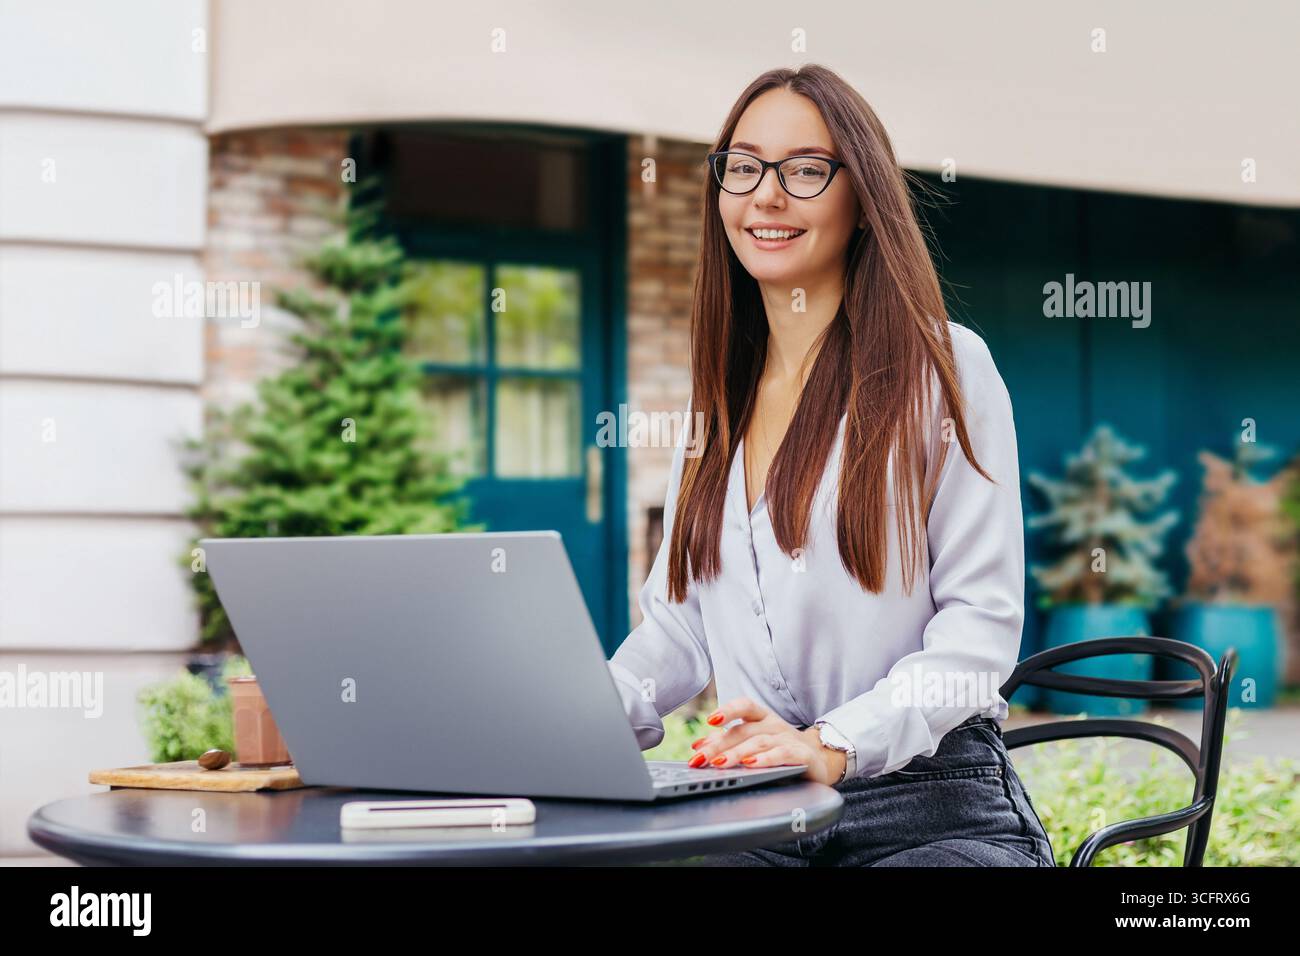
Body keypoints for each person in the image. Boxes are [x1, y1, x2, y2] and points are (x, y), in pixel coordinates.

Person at [606, 64, 1055, 867]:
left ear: (863, 199)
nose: (765, 196)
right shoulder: (720, 398)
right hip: (762, 807)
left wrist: (834, 743)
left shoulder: (944, 368)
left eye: (805, 171)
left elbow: (980, 632)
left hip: (932, 804)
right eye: (742, 167)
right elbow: (675, 631)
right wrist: (560, 726)